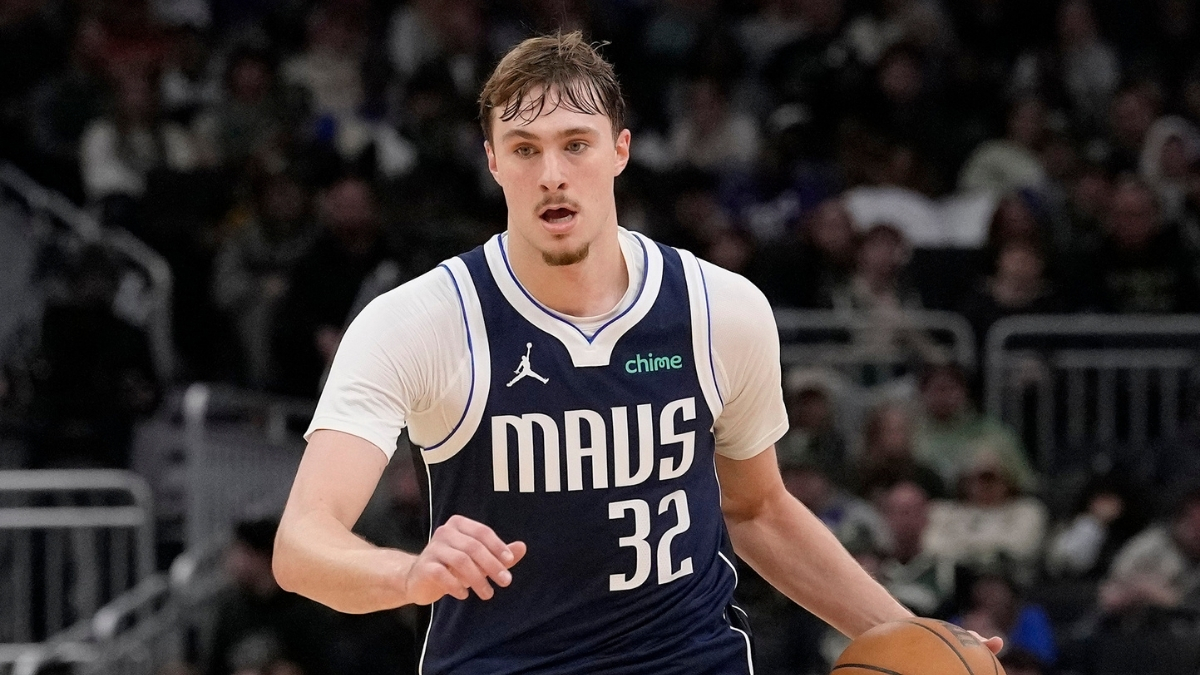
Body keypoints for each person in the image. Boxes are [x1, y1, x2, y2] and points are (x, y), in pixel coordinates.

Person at [272, 32, 1001, 673]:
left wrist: (913, 635)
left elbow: (758, 509)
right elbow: (303, 543)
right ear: (493, 161)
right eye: (525, 149)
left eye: (575, 143)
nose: (552, 172)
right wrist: (408, 574)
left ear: (620, 149)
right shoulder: (420, 322)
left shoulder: (721, 309)